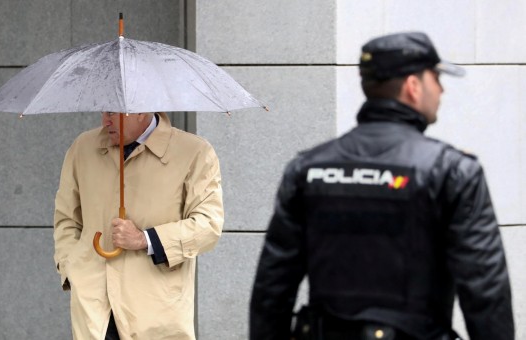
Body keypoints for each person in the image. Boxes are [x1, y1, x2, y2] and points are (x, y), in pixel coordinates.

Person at [250, 32, 514, 340]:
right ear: (413, 87)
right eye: (436, 78)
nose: (441, 89)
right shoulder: (452, 171)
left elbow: (273, 286)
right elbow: (484, 290)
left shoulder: (308, 168)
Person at [54, 111, 224, 339]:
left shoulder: (194, 152)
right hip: (94, 308)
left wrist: (145, 239)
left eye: (113, 113)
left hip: (156, 310)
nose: (105, 120)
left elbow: (208, 225)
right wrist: (71, 269)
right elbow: (66, 218)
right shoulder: (83, 148)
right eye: (104, 111)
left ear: (141, 110)